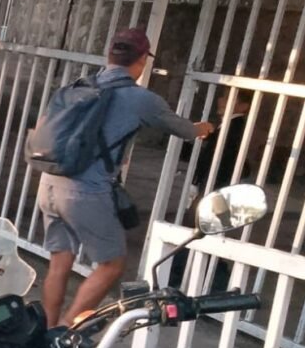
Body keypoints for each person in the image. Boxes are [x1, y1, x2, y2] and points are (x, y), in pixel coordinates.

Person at [37, 29, 215, 327]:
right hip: (85, 192)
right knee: (112, 265)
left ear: (109, 55)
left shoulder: (76, 87)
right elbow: (184, 130)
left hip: (50, 182)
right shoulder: (140, 99)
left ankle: (46, 331)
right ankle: (65, 333)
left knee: (59, 263)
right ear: (142, 59)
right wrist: (204, 128)